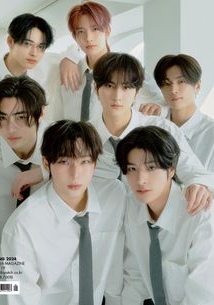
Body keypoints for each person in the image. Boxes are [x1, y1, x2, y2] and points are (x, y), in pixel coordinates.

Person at [0, 120, 126, 305]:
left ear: (94, 164)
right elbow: (13, 296)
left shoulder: (113, 196)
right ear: (46, 163)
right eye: (64, 162)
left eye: (84, 161)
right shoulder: (22, 225)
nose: (75, 174)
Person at [90, 52, 214, 212]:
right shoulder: (83, 137)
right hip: (100, 226)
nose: (117, 96)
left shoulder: (162, 129)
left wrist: (198, 185)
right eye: (109, 85)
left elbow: (193, 170)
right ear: (95, 88)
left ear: (137, 92)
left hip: (151, 225)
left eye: (126, 87)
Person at [115, 125, 214, 305]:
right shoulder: (132, 207)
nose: (140, 179)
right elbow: (135, 277)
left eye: (151, 167)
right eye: (132, 169)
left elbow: (203, 297)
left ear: (171, 170)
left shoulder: (201, 215)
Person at [0, 75, 48, 304]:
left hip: (45, 275)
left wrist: (45, 172)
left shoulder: (61, 150)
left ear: (41, 114)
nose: (11, 128)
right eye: (3, 118)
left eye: (20, 117)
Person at [55, 1, 165, 122]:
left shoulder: (126, 69)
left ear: (107, 31)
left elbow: (162, 100)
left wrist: (158, 108)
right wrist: (68, 57)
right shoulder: (69, 72)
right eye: (81, 32)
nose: (88, 38)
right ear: (75, 37)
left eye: (95, 29)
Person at [153, 53, 214, 171]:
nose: (173, 90)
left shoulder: (210, 134)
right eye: (166, 83)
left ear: (197, 86)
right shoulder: (154, 128)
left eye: (181, 82)